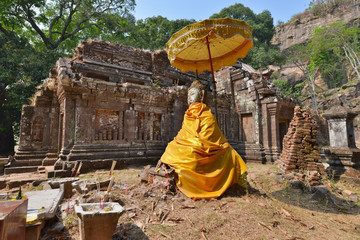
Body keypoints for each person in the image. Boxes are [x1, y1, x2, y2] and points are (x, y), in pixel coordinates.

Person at [160, 80, 248, 199]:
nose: (189, 98)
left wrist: (194, 142)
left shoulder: (207, 116)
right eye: (188, 95)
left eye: (192, 94)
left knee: (192, 154)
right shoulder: (188, 114)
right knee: (171, 146)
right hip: (188, 144)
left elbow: (209, 138)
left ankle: (196, 185)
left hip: (204, 148)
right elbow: (183, 134)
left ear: (201, 95)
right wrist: (183, 141)